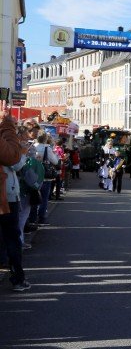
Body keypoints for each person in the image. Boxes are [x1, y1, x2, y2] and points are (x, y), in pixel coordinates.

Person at [0, 100, 30, 291]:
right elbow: (13, 159)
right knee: (12, 238)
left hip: (7, 194)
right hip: (7, 196)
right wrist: (7, 123)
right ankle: (17, 279)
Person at [33, 132, 59, 225]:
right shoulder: (47, 148)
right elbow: (55, 161)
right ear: (45, 139)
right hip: (45, 175)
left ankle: (32, 219)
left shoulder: (33, 146)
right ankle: (41, 218)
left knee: (33, 197)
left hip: (33, 175)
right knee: (44, 198)